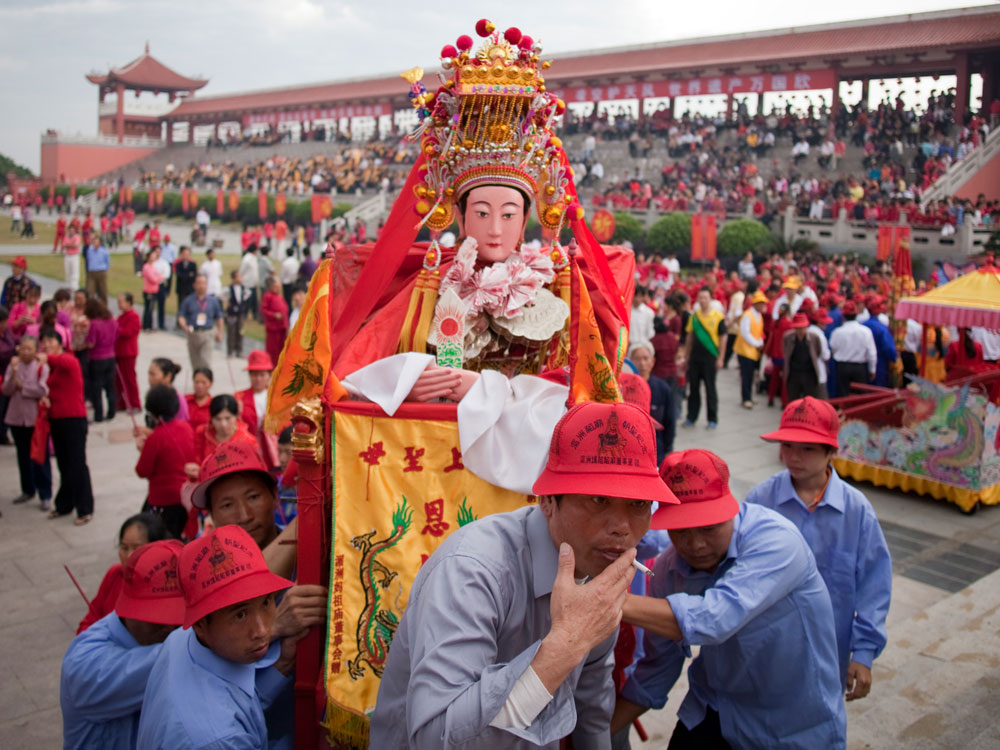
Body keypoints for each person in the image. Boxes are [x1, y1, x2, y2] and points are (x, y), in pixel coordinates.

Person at [370, 401, 677, 749]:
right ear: (547, 500)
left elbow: (593, 710)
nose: (622, 528)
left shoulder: (597, 574)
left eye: (638, 505)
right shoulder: (473, 569)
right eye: (597, 500)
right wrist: (565, 646)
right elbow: (437, 738)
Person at [612, 449, 847, 749]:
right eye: (680, 530)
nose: (695, 544)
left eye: (709, 528)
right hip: (713, 710)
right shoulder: (668, 569)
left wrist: (608, 600)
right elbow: (658, 667)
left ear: (730, 510)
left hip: (790, 727)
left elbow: (713, 619)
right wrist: (598, 734)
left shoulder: (776, 541)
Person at [748, 397, 892, 698]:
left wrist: (863, 654)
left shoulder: (856, 511)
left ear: (831, 452)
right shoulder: (760, 500)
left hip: (829, 652)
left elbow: (874, 587)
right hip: (764, 649)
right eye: (787, 446)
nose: (793, 457)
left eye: (807, 449)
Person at [136, 525, 298, 750]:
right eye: (240, 615)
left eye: (266, 602)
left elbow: (237, 702)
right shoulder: (218, 740)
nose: (261, 630)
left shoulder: (179, 641)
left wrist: (283, 663)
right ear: (201, 624)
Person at [61, 540, 187, 750]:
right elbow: (183, 655)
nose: (170, 625)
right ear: (128, 607)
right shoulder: (85, 663)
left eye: (179, 613)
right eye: (157, 614)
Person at [76, 512, 171, 634]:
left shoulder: (168, 586)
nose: (129, 556)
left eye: (137, 548)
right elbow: (88, 622)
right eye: (124, 548)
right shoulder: (114, 574)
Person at [39, 327, 95, 524]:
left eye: (50, 341)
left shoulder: (68, 360)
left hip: (73, 420)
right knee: (64, 465)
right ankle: (64, 504)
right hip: (58, 419)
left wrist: (45, 357)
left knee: (77, 465)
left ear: (59, 342)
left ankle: (85, 508)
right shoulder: (54, 367)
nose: (46, 346)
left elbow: (60, 360)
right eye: (44, 343)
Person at [135, 384, 196, 539]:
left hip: (162, 500)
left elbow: (142, 471)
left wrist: (143, 449)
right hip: (185, 495)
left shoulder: (155, 438)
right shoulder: (186, 428)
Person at [3, 335, 52, 509]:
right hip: (16, 418)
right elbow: (6, 390)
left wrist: (22, 387)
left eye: (29, 349)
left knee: (40, 457)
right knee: (22, 456)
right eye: (22, 348)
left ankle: (45, 493)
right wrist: (13, 375)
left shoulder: (41, 367)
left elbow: (41, 390)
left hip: (35, 419)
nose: (25, 352)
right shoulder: (13, 366)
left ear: (36, 350)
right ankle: (27, 489)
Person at [680, 287, 726, 429]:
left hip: (710, 357)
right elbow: (689, 337)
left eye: (705, 297)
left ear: (710, 299)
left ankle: (712, 418)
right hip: (694, 358)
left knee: (710, 388)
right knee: (693, 389)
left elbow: (723, 338)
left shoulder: (718, 317)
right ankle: (691, 417)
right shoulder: (694, 317)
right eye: (700, 298)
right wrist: (686, 356)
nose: (703, 300)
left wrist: (721, 358)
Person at [627, 344, 674, 464]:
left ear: (652, 361)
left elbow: (670, 421)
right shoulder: (622, 388)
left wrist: (668, 450)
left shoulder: (663, 389)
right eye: (637, 359)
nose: (642, 363)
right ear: (629, 362)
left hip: (655, 452)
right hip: (629, 452)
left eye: (645, 358)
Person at [189, 393, 260, 465]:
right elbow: (197, 461)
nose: (223, 424)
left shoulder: (248, 441)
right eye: (218, 419)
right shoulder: (202, 433)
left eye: (228, 418)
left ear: (236, 416)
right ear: (211, 418)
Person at [236, 350, 278, 467]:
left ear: (269, 375)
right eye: (254, 375)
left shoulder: (277, 397)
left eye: (262, 375)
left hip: (273, 449)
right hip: (248, 447)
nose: (258, 379)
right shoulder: (239, 397)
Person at [177, 274, 224, 371]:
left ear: (207, 285)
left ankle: (205, 382)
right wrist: (185, 326)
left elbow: (220, 318)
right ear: (194, 285)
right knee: (195, 363)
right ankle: (197, 382)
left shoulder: (213, 301)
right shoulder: (188, 300)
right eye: (199, 283)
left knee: (205, 362)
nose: (201, 286)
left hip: (207, 333)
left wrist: (220, 333)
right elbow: (181, 315)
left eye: (203, 283)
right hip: (193, 333)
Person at [829, 301, 876, 397]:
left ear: (843, 316)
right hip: (860, 368)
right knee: (861, 398)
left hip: (843, 368)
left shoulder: (837, 332)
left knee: (843, 397)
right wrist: (872, 369)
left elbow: (833, 349)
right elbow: (872, 353)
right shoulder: (865, 332)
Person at [84, 298, 118, 423]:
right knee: (110, 387)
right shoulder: (112, 321)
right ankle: (111, 412)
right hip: (110, 356)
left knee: (96, 388)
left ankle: (99, 415)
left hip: (97, 358)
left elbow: (91, 343)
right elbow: (117, 335)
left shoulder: (94, 323)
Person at [733, 289, 766, 409]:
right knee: (746, 375)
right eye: (760, 303)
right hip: (745, 350)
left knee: (751, 375)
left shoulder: (758, 315)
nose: (762, 305)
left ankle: (749, 396)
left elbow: (759, 331)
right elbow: (745, 333)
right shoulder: (747, 315)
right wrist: (757, 343)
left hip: (752, 350)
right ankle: (745, 398)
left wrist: (760, 342)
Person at [783, 312, 825, 401]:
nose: (800, 331)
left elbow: (818, 352)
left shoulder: (814, 338)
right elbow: (785, 351)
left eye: (802, 328)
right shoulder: (788, 337)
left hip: (809, 373)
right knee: (793, 400)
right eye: (797, 328)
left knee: (810, 400)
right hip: (794, 373)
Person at [862, 298, 898, 387]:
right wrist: (895, 358)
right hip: (880, 365)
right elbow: (889, 349)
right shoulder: (882, 329)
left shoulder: (862, 325)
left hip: (862, 365)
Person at [115, 293, 141, 414]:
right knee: (119, 379)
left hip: (128, 352)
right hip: (120, 352)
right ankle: (122, 403)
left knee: (129, 379)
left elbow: (127, 332)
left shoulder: (133, 317)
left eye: (122, 302)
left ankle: (135, 403)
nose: (119, 304)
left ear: (129, 303)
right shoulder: (122, 316)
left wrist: (115, 328)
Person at [260, 276, 289, 367]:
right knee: (273, 349)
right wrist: (274, 315)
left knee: (282, 348)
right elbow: (263, 310)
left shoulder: (279, 296)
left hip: (282, 327)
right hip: (273, 328)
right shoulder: (268, 296)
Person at [224, 270, 251, 358]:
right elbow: (222, 296)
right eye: (238, 277)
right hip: (232, 313)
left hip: (240, 313)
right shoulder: (229, 289)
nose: (240, 279)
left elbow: (248, 293)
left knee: (240, 331)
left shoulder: (243, 288)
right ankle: (230, 350)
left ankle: (239, 350)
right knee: (231, 332)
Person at [141, 248, 163, 332]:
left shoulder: (152, 266)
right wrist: (159, 278)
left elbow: (158, 275)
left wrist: (158, 277)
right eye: (153, 256)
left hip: (154, 290)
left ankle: (149, 325)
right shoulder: (146, 267)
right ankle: (147, 326)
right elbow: (154, 279)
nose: (154, 258)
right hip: (149, 291)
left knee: (151, 309)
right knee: (148, 309)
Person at [185, 367, 213, 433]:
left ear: (211, 384)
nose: (199, 386)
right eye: (196, 382)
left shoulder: (214, 404)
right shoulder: (185, 400)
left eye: (203, 382)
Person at [84, 234, 110, 304]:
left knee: (103, 291)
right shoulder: (89, 250)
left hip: (101, 272)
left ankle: (104, 307)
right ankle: (90, 307)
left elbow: (107, 261)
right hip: (92, 272)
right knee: (90, 291)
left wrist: (105, 270)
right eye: (94, 241)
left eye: (96, 242)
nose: (94, 243)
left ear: (99, 243)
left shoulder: (104, 251)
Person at [173, 246, 198, 314]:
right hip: (181, 289)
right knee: (181, 306)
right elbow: (179, 275)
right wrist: (188, 275)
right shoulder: (178, 264)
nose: (185, 256)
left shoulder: (193, 264)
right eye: (184, 254)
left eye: (187, 254)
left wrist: (185, 275)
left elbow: (194, 276)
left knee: (190, 306)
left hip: (189, 289)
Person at [239, 245, 260, 320]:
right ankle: (244, 314)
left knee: (254, 301)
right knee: (247, 300)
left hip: (253, 283)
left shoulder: (254, 258)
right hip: (247, 283)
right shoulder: (246, 259)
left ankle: (255, 314)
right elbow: (242, 270)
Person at [64, 225, 83, 290]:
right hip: (68, 255)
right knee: (68, 271)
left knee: (75, 271)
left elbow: (76, 245)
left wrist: (69, 245)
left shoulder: (77, 236)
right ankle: (68, 285)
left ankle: (74, 286)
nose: (71, 231)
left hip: (74, 255)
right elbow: (64, 245)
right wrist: (71, 244)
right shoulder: (66, 236)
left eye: (72, 230)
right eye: (70, 230)